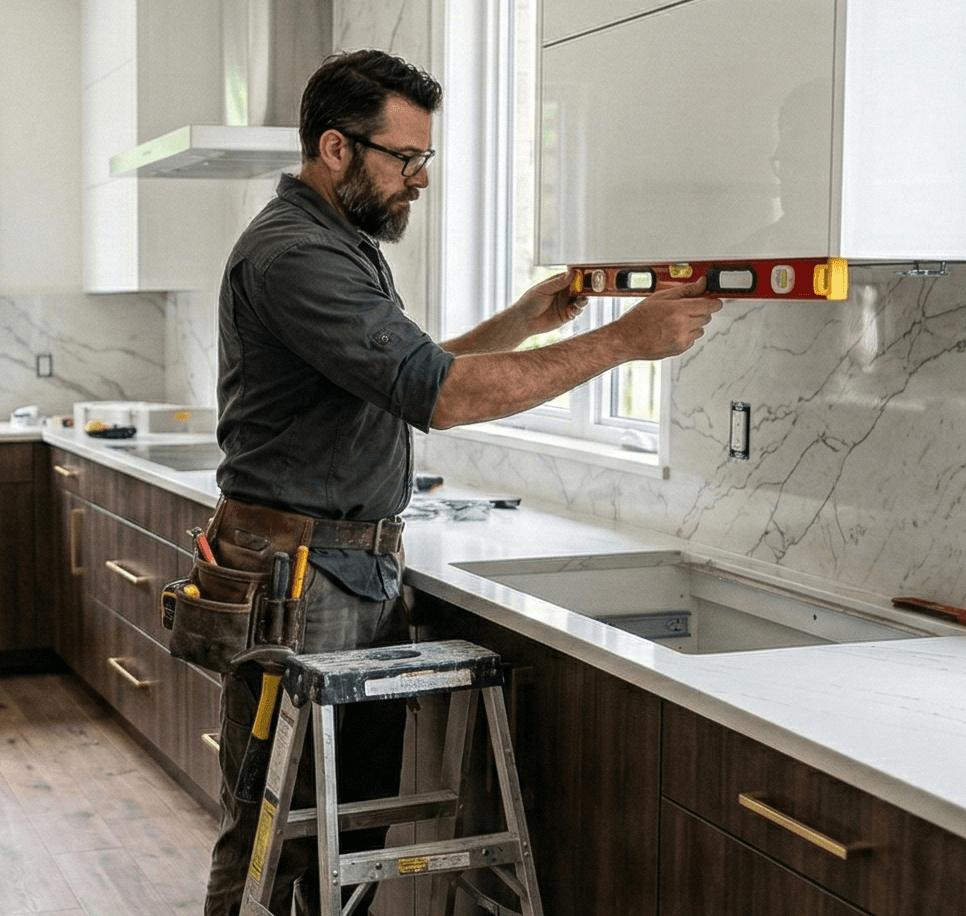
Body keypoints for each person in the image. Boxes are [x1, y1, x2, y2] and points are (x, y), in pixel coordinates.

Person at [201, 49, 721, 916]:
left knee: (345, 823)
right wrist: (625, 343)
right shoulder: (297, 256)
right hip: (302, 578)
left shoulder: (341, 242)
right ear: (336, 148)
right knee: (274, 825)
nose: (420, 181)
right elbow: (436, 397)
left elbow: (412, 372)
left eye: (425, 160)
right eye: (406, 160)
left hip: (343, 572)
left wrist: (523, 321)